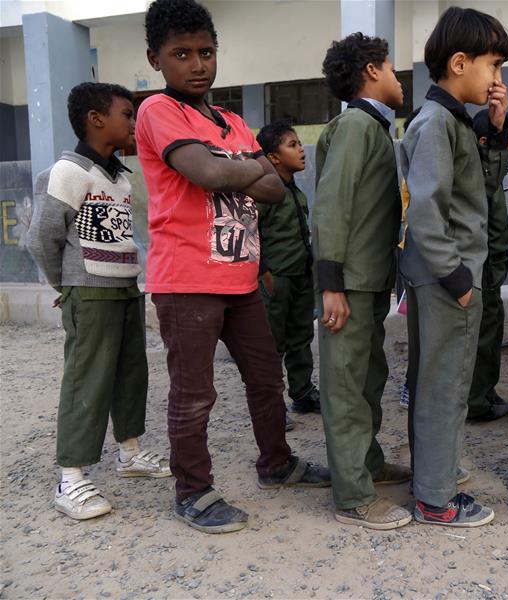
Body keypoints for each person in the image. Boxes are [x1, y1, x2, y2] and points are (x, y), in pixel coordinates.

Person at [136, 0, 328, 534]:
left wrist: (230, 166)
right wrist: (243, 164)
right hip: (186, 281)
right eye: (181, 54)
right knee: (194, 394)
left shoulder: (233, 121)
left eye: (206, 52)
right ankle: (193, 492)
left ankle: (277, 464)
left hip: (240, 278)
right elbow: (207, 174)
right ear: (155, 59)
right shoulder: (158, 111)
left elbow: (274, 188)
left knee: (266, 378)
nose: (197, 64)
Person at [27, 82, 171, 520]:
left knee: (131, 373)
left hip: (126, 288)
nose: (134, 123)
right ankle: (70, 478)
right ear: (95, 119)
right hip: (89, 292)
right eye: (127, 115)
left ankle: (130, 453)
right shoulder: (66, 173)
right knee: (87, 379)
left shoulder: (120, 178)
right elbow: (41, 239)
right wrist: (65, 286)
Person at [400, 6, 508, 527]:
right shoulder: (437, 122)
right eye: (493, 65)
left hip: (444, 275)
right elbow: (426, 209)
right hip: (448, 279)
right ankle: (436, 499)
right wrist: (458, 278)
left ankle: (432, 476)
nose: (497, 79)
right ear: (460, 62)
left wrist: (495, 131)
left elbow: (468, 192)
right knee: (445, 386)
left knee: (436, 382)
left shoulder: (451, 120)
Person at [314, 32, 411, 530]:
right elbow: (332, 205)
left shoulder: (372, 127)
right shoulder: (355, 126)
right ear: (372, 71)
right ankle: (353, 495)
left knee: (368, 379)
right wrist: (331, 284)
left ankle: (367, 463)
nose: (398, 78)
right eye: (391, 68)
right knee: (347, 387)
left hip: (369, 282)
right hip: (349, 284)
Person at [255, 121, 319, 427]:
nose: (301, 150)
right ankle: (271, 405)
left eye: (299, 143)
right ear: (274, 157)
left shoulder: (295, 191)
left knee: (301, 336)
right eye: (292, 145)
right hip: (276, 279)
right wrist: (264, 274)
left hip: (300, 276)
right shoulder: (265, 192)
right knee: (271, 344)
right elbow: (250, 232)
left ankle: (302, 392)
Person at [466, 110, 508, 423]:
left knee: (493, 327)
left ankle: (487, 392)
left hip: (495, 259)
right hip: (484, 262)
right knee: (485, 331)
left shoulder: (492, 171)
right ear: (485, 141)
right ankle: (477, 401)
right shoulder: (482, 172)